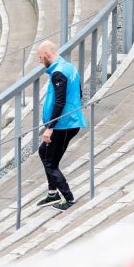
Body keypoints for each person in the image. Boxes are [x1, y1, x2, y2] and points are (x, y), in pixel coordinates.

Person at [35, 40, 87, 211]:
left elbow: (60, 102)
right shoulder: (69, 67)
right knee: (44, 152)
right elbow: (79, 92)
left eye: (41, 57)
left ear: (48, 54)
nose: (40, 61)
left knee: (51, 163)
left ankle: (68, 198)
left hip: (63, 125)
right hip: (68, 122)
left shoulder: (58, 73)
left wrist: (50, 127)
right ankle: (52, 193)